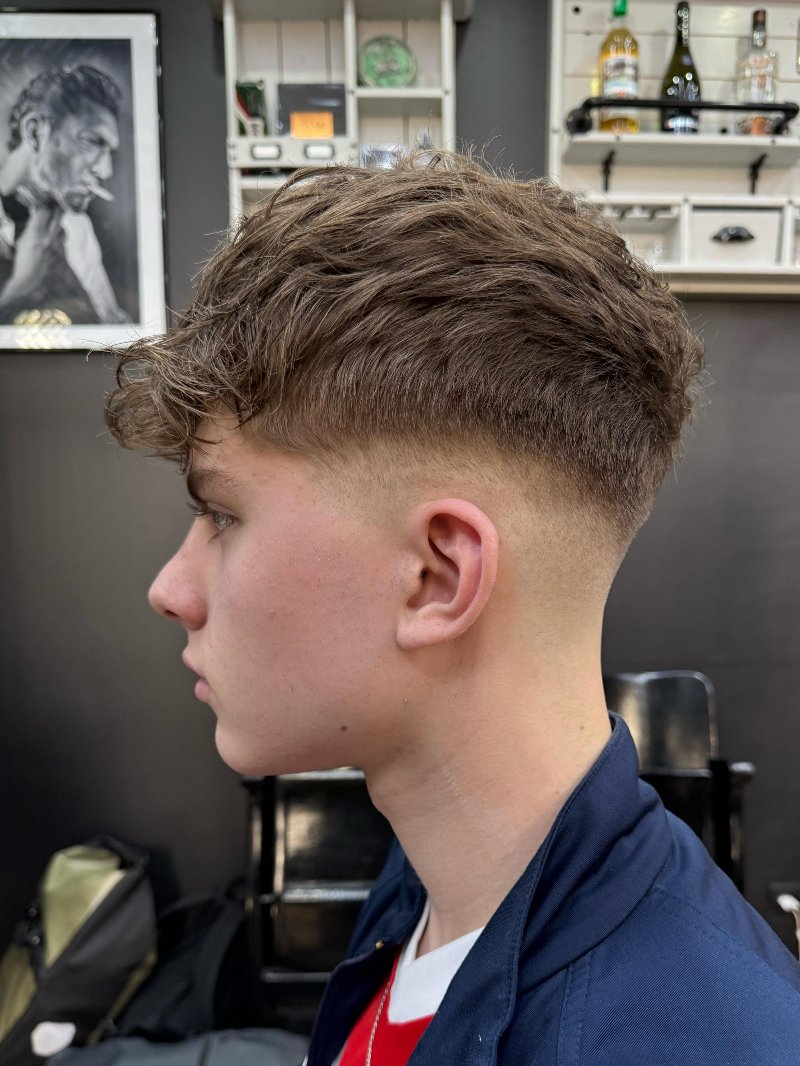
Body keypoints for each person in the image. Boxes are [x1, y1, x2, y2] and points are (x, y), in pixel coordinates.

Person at [105, 151, 800, 1065]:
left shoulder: (703, 1043)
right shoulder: (439, 882)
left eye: (223, 516)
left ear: (437, 576)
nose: (171, 590)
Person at [0, 64, 128, 325]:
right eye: (92, 141)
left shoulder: (77, 228)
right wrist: (20, 287)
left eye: (109, 152)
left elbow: (113, 323)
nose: (105, 171)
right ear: (35, 132)